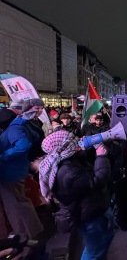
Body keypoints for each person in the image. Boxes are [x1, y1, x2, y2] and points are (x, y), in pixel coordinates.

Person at [39, 131, 114, 260]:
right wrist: (101, 157)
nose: (76, 139)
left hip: (89, 210)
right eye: (72, 139)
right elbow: (98, 181)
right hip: (91, 215)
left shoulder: (63, 161)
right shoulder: (68, 172)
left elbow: (81, 166)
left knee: (97, 247)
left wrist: (88, 150)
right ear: (64, 147)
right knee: (94, 251)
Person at [0, 99, 45, 240]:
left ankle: (27, 237)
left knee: (16, 206)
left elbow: (23, 145)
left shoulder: (15, 127)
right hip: (16, 170)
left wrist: (3, 156)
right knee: (20, 203)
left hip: (10, 172)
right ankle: (33, 233)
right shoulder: (23, 124)